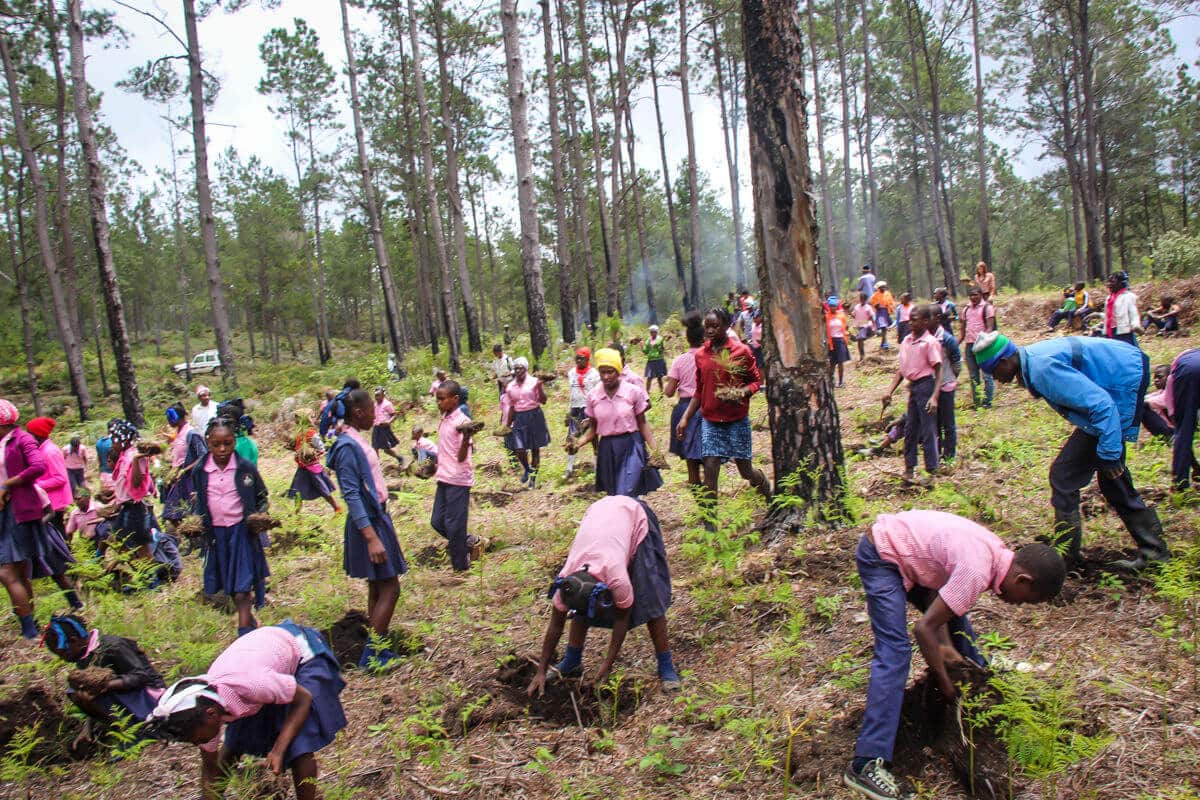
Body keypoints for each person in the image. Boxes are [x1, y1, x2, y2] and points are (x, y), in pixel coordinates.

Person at [843, 510, 1065, 800]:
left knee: (957, 622)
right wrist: (945, 683)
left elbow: (941, 596)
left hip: (914, 553)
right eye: (1027, 601)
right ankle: (867, 763)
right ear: (1023, 580)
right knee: (895, 651)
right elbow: (924, 630)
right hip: (883, 554)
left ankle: (986, 693)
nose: (1020, 605)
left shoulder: (996, 555)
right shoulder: (978, 570)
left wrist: (949, 649)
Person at [973, 332, 1169, 569]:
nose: (995, 378)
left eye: (994, 372)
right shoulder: (1033, 362)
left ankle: (1068, 557)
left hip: (1123, 381)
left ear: (1005, 361)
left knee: (1068, 475)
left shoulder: (1042, 369)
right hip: (1122, 374)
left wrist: (1109, 455)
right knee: (1101, 477)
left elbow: (1103, 406)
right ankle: (1151, 550)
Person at [147, 622, 347, 800]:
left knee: (299, 744)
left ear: (211, 714)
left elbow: (303, 699)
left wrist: (278, 750)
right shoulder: (203, 708)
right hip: (263, 666)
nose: (199, 744)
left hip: (300, 653)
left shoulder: (252, 684)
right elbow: (210, 766)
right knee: (235, 741)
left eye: (198, 740)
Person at [527, 496, 680, 695]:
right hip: (600, 515)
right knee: (582, 606)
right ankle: (572, 661)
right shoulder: (565, 581)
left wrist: (607, 665)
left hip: (634, 518)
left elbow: (621, 621)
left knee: (649, 599)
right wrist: (541, 671)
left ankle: (666, 667)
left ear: (606, 592)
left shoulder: (617, 578)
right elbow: (555, 625)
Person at [327, 389, 407, 672]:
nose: (377, 414)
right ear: (358, 412)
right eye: (373, 409)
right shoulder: (348, 447)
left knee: (377, 587)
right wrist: (371, 537)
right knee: (391, 588)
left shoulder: (356, 439)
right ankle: (373, 654)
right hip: (369, 523)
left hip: (377, 517)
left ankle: (378, 651)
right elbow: (351, 494)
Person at [676, 308, 771, 525]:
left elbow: (756, 381)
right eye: (707, 326)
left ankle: (766, 488)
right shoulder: (701, 355)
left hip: (736, 420)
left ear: (727, 326)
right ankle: (710, 525)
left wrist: (742, 392)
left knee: (745, 470)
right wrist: (686, 418)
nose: (709, 330)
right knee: (710, 466)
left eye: (714, 326)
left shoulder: (742, 351)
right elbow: (699, 390)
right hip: (710, 421)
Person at [0, 400, 79, 638]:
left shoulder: (21, 439)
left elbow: (37, 466)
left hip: (20, 510)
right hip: (6, 512)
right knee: (20, 571)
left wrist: (8, 485)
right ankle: (30, 625)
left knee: (7, 572)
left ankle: (28, 627)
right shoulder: (3, 443)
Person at [193, 416, 270, 636]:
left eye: (227, 443)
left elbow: (261, 496)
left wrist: (260, 515)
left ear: (234, 442)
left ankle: (243, 633)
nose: (222, 449)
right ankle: (251, 625)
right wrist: (197, 522)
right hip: (217, 535)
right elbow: (200, 499)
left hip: (241, 532)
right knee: (230, 586)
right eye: (216, 444)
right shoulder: (200, 470)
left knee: (242, 588)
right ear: (208, 442)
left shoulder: (244, 468)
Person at [43, 614, 165, 734]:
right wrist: (87, 727)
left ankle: (139, 730)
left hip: (150, 695)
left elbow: (141, 676)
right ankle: (122, 731)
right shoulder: (83, 656)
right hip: (122, 696)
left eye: (63, 653)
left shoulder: (112, 647)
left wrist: (106, 685)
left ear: (74, 641)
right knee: (76, 692)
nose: (63, 659)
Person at [571, 348, 663, 498]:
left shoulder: (632, 392)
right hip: (607, 448)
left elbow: (643, 423)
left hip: (631, 445)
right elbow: (593, 430)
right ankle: (631, 518)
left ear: (618, 370)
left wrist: (655, 450)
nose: (606, 377)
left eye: (610, 372)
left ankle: (642, 518)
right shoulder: (593, 396)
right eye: (603, 372)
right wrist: (577, 444)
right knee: (614, 495)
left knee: (627, 491)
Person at [881, 305, 941, 487]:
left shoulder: (930, 342)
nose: (910, 322)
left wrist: (934, 397)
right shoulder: (906, 340)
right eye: (910, 319)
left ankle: (931, 471)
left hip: (926, 386)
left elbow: (939, 372)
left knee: (928, 429)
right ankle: (909, 469)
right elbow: (901, 370)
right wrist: (889, 391)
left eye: (915, 319)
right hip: (913, 387)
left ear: (925, 321)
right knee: (910, 429)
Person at [431, 381, 480, 572]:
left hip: (458, 480)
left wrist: (467, 437)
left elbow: (461, 457)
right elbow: (445, 449)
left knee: (454, 525)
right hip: (444, 477)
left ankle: (461, 569)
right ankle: (471, 542)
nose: (439, 403)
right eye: (437, 399)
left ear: (455, 399)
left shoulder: (462, 423)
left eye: (442, 399)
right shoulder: (445, 417)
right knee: (437, 521)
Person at [107, 420, 156, 565]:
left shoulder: (136, 456)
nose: (112, 444)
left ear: (123, 440)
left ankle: (152, 580)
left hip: (136, 507)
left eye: (113, 440)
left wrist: (135, 460)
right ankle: (138, 570)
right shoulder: (123, 456)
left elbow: (136, 482)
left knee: (143, 548)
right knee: (115, 539)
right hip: (126, 507)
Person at [665, 313, 705, 488]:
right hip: (707, 409)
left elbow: (668, 391)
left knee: (691, 462)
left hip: (684, 410)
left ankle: (703, 507)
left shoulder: (679, 361)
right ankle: (711, 506)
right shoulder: (710, 358)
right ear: (704, 338)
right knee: (710, 459)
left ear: (687, 339)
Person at [501, 357, 551, 488]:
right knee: (519, 448)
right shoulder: (510, 386)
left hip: (535, 415)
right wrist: (507, 425)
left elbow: (543, 400)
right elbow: (511, 406)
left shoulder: (534, 382)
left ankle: (533, 480)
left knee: (535, 449)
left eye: (520, 368)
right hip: (519, 417)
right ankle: (527, 468)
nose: (518, 371)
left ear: (526, 369)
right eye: (516, 368)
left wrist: (540, 386)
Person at [162, 403, 208, 526]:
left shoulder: (192, 434)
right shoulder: (179, 433)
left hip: (190, 481)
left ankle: (193, 541)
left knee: (191, 515)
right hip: (179, 480)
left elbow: (204, 456)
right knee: (171, 514)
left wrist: (185, 469)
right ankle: (184, 539)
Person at [27, 417, 73, 534]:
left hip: (55, 502)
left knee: (56, 533)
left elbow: (60, 478)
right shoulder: (42, 450)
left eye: (30, 433)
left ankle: (65, 552)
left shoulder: (50, 452)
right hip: (48, 500)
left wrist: (37, 485)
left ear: (38, 434)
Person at [286, 413, 339, 514]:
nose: (295, 422)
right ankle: (296, 513)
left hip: (312, 468)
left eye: (297, 419)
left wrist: (312, 453)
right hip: (302, 467)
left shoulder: (312, 434)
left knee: (323, 489)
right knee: (298, 491)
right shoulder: (298, 434)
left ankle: (336, 508)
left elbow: (321, 448)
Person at [1165, 349, 1200, 491]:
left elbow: (1177, 420)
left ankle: (1180, 483)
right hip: (1188, 370)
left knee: (1184, 430)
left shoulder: (1174, 375)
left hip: (1187, 372)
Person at [932, 307, 961, 466]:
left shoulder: (948, 340)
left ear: (936, 318)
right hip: (932, 386)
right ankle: (937, 453)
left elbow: (957, 363)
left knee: (948, 422)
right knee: (935, 423)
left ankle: (949, 455)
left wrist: (950, 378)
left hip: (946, 385)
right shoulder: (927, 338)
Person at [565, 347, 600, 480]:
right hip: (575, 409)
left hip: (588, 408)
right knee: (572, 439)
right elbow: (572, 394)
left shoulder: (594, 374)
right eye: (577, 358)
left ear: (587, 359)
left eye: (581, 358)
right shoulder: (571, 373)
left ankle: (598, 469)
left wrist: (595, 413)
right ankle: (569, 468)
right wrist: (569, 412)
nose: (578, 360)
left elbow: (597, 394)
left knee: (594, 439)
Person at [960, 286, 997, 409]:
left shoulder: (987, 308)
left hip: (983, 345)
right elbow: (962, 330)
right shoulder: (966, 310)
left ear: (981, 295)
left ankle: (987, 402)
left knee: (987, 374)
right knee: (973, 376)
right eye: (971, 295)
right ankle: (977, 403)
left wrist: (983, 341)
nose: (973, 297)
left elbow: (990, 327)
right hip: (969, 345)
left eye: (975, 295)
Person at [1103, 271, 1141, 347]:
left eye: (1112, 282)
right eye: (1109, 282)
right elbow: (1109, 315)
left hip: (1123, 333)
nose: (1109, 284)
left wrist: (1136, 325)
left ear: (1120, 283)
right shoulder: (1109, 298)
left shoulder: (1128, 296)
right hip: (1110, 331)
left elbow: (1133, 313)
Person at [826, 296, 851, 388]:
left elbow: (845, 327)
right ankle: (830, 381)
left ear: (837, 306)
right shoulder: (827, 316)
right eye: (831, 306)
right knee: (832, 363)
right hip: (831, 341)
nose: (833, 308)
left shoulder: (841, 315)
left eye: (834, 306)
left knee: (840, 362)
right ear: (829, 307)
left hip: (840, 340)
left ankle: (840, 382)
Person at [870, 281, 896, 350]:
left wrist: (891, 308)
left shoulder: (888, 293)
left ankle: (883, 343)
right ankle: (885, 344)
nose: (883, 288)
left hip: (886, 311)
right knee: (883, 327)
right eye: (881, 287)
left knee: (884, 328)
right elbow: (871, 301)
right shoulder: (875, 294)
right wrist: (876, 305)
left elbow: (891, 302)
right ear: (878, 288)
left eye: (884, 287)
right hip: (880, 312)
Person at [850, 292, 875, 362]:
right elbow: (853, 314)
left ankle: (862, 355)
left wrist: (874, 326)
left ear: (865, 299)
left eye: (863, 299)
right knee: (857, 340)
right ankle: (861, 354)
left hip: (864, 324)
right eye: (860, 298)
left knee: (860, 339)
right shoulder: (856, 307)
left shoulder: (868, 307)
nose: (861, 300)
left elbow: (871, 316)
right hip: (857, 325)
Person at [642, 325, 668, 394]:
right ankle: (647, 393)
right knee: (649, 377)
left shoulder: (660, 339)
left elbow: (661, 350)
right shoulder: (648, 340)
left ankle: (661, 392)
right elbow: (645, 351)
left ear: (656, 332)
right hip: (650, 361)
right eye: (651, 332)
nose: (652, 333)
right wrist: (642, 346)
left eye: (653, 332)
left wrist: (662, 346)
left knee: (659, 378)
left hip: (658, 360)